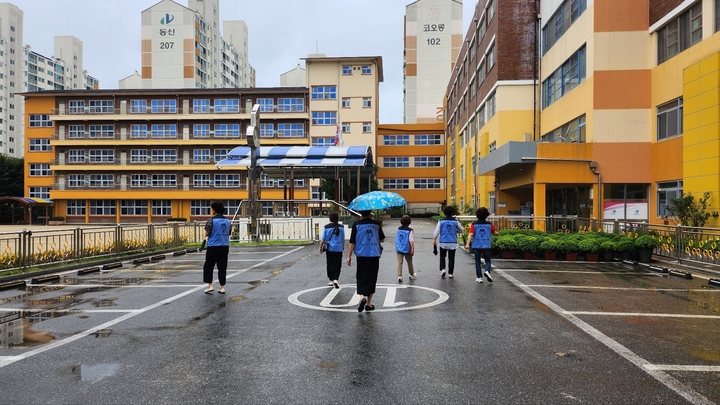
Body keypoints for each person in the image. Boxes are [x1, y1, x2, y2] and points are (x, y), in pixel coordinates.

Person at [346, 210, 385, 312]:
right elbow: (382, 239)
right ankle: (368, 303)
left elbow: (352, 242)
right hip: (374, 254)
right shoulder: (376, 224)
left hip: (361, 254)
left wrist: (349, 256)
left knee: (361, 276)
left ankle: (361, 297)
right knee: (372, 277)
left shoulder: (356, 224)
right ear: (370, 213)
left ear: (361, 213)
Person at [203, 201, 231, 294]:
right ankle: (222, 287)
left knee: (209, 266)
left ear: (214, 210)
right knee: (222, 266)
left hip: (213, 246)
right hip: (224, 246)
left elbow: (207, 233)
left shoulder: (211, 220)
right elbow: (229, 233)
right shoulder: (228, 221)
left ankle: (210, 285)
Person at [465, 207, 498, 283]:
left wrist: (467, 244)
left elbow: (471, 234)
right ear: (486, 215)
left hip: (476, 245)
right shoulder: (489, 224)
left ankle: (479, 277)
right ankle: (487, 271)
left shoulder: (474, 224)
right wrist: (497, 233)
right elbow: (494, 233)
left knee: (477, 261)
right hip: (486, 245)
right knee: (488, 260)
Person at [432, 206, 464, 279]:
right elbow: (461, 229)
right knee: (451, 258)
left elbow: (437, 231)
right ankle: (450, 273)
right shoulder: (455, 221)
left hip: (443, 242)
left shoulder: (441, 221)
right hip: (453, 242)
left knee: (442, 256)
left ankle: (443, 269)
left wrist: (434, 239)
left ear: (444, 213)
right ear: (453, 213)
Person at [320, 211, 345, 288]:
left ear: (330, 218)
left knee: (330, 264)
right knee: (338, 264)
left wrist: (320, 247)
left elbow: (323, 239)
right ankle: (336, 279)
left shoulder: (326, 227)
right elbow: (343, 238)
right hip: (339, 248)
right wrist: (343, 246)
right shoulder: (341, 227)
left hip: (330, 249)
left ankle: (331, 280)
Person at [395, 215, 415, 282]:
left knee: (399, 263)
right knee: (409, 261)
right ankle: (411, 274)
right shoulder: (410, 230)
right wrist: (412, 248)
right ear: (409, 222)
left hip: (399, 247)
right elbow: (411, 240)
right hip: (407, 248)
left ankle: (399, 276)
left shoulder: (398, 229)